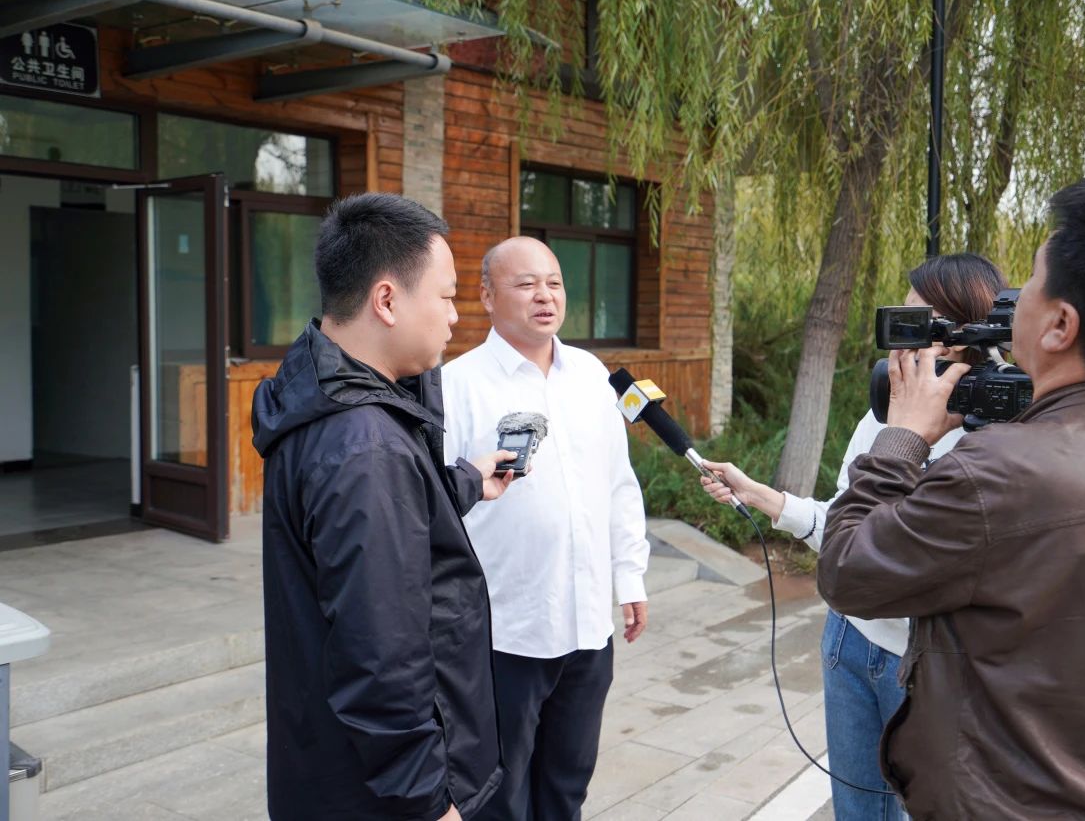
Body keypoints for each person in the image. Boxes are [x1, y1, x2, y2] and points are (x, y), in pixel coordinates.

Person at [817, 173, 1085, 819]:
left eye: (1033, 282)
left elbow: (847, 570)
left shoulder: (994, 474)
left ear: (1060, 325)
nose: (1014, 298)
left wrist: (902, 438)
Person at [701, 253, 1006, 820]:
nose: (901, 343)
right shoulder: (883, 413)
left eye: (920, 326)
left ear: (967, 336)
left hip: (928, 668)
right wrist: (762, 496)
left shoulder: (996, 436)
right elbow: (849, 534)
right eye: (901, 322)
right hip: (849, 641)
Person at [252, 193, 516, 821]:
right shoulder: (365, 447)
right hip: (380, 798)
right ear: (388, 301)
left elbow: (384, 528)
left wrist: (465, 482)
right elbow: (381, 655)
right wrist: (428, 800)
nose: (455, 316)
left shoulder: (323, 397)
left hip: (325, 766)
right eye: (447, 296)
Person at [442, 236, 650, 821]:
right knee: (499, 794)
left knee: (567, 786)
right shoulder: (456, 385)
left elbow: (618, 485)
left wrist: (629, 577)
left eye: (554, 283)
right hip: (504, 631)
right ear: (487, 296)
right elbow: (435, 503)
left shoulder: (590, 375)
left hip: (587, 625)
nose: (545, 296)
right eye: (526, 284)